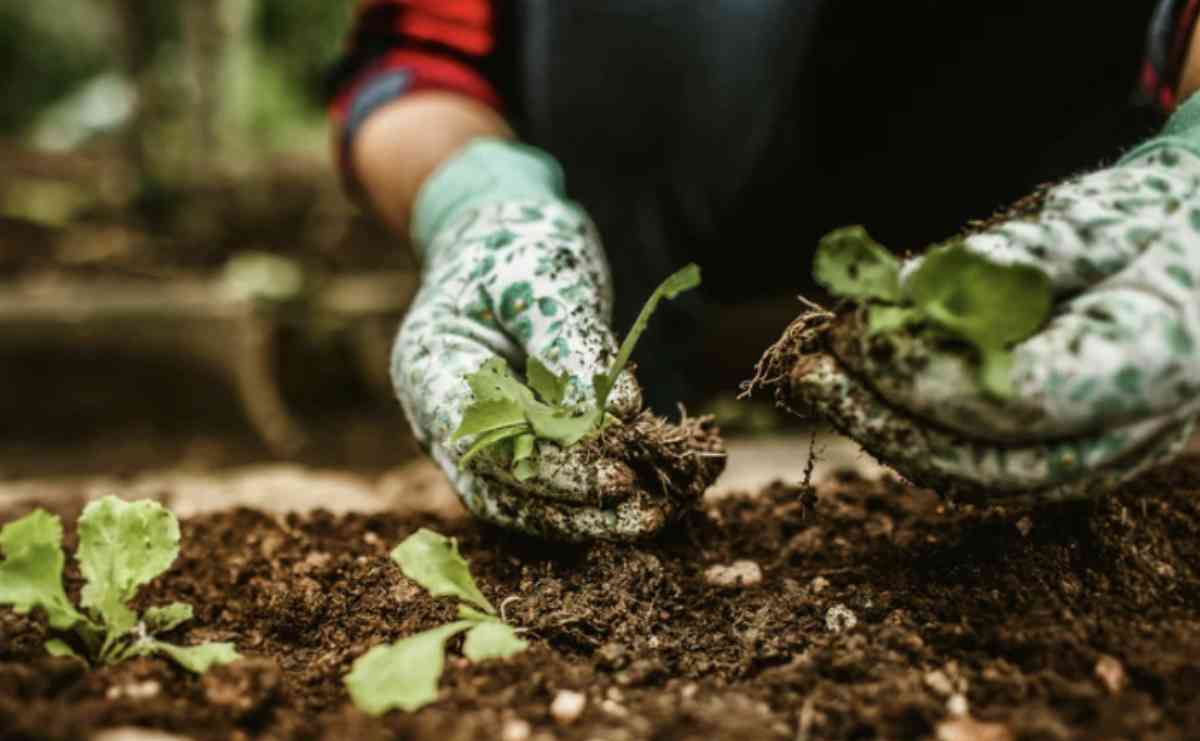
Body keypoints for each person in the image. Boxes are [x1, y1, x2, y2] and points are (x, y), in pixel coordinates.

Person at [328, 0, 1200, 538]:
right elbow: (412, 64)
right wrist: (478, 200)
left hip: (1038, 171)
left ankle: (1039, 365)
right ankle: (626, 445)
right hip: (644, 201)